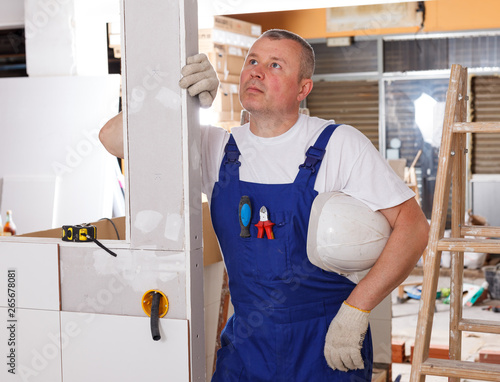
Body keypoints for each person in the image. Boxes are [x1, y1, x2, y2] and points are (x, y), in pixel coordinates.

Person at [100, 30, 429, 381]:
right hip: (248, 346)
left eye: (275, 65)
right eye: (252, 61)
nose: (256, 71)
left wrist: (357, 309)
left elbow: (413, 228)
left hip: (326, 341)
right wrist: (180, 95)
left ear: (303, 89)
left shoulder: (338, 145)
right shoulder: (216, 148)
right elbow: (113, 139)